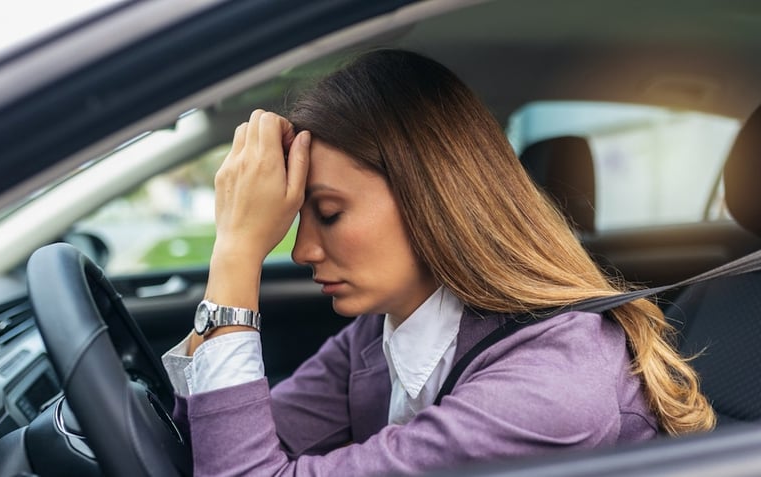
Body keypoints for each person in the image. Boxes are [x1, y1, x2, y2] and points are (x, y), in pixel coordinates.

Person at [162, 49, 714, 476]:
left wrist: (235, 252)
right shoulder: (384, 329)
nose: (303, 250)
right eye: (297, 218)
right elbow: (215, 448)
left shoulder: (548, 391)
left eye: (327, 213)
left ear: (432, 201)